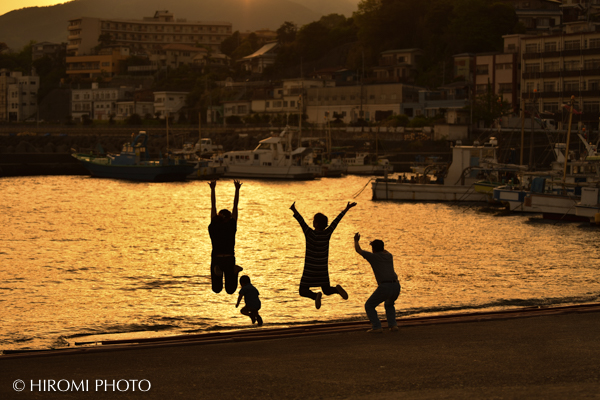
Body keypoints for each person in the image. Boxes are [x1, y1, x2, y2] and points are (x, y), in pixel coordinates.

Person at [290, 201, 357, 309]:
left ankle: (315, 296)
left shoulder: (309, 233)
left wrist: (294, 210)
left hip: (310, 271)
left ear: (316, 224)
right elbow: (336, 221)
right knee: (327, 290)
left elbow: (301, 221)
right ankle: (336, 290)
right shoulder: (327, 234)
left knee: (302, 291)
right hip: (322, 270)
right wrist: (346, 208)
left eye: (314, 221)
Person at [354, 233, 400, 333]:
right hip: (396, 285)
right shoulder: (389, 256)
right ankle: (393, 325)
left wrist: (356, 241)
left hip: (385, 286)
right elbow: (383, 250)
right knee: (389, 304)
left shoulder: (373, 257)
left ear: (373, 249)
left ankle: (377, 327)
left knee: (369, 305)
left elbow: (358, 250)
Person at [208, 179, 243, 294]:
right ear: (229, 217)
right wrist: (237, 190)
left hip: (217, 258)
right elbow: (235, 206)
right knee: (230, 290)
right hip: (229, 258)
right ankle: (234, 271)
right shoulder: (231, 225)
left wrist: (213, 189)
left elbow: (213, 205)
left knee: (216, 289)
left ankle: (218, 272)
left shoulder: (214, 224)